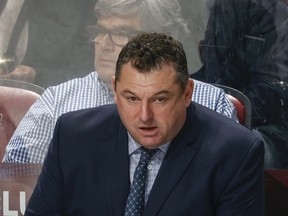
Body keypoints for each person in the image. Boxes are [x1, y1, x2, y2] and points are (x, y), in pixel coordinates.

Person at [25, 32, 264, 215]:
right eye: (132, 98)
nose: (144, 115)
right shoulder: (72, 136)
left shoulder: (236, 152)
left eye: (160, 99)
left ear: (187, 93)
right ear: (115, 91)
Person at [3, 0, 237, 164]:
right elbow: (15, 189)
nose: (104, 43)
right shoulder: (56, 104)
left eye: (122, 33)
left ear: (162, 39)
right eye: (100, 31)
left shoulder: (210, 103)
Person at [190, 0, 288, 168]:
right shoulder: (218, 7)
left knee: (216, 151)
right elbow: (212, 69)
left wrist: (216, 110)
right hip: (218, 122)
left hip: (268, 130)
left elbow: (271, 90)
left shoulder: (266, 8)